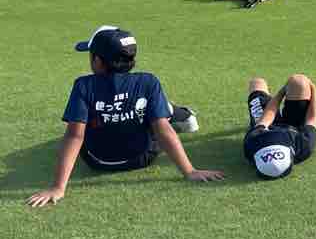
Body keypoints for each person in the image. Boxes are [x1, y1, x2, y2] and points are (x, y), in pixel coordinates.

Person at [26, 26, 220, 207]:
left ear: (97, 61)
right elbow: (163, 131)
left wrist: (58, 188)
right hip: (141, 158)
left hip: (96, 160)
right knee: (158, 119)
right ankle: (178, 113)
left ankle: (172, 111)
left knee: (82, 128)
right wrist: (189, 171)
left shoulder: (83, 85)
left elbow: (75, 136)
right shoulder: (148, 81)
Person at [242, 74, 316, 179]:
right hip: (295, 127)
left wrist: (282, 91)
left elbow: (266, 118)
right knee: (299, 81)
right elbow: (311, 118)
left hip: (269, 125)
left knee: (257, 83)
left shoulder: (252, 143)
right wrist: (314, 89)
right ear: (292, 154)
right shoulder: (303, 146)